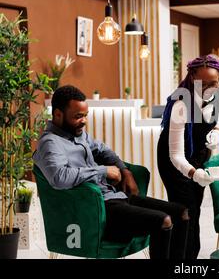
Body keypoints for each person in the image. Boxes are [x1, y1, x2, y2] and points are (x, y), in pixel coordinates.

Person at [33, 85, 189, 259]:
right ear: (58, 115)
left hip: (116, 197)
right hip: (97, 210)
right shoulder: (50, 144)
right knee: (164, 221)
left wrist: (125, 171)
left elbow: (103, 150)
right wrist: (103, 171)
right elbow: (59, 177)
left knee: (181, 213)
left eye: (85, 116)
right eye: (78, 117)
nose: (83, 121)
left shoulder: (79, 134)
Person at [157, 55, 219, 259]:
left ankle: (190, 256)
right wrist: (193, 174)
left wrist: (217, 131)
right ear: (191, 78)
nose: (208, 88)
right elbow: (175, 155)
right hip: (174, 162)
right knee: (185, 212)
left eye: (213, 83)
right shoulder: (181, 104)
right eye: (202, 83)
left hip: (198, 157)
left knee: (194, 209)